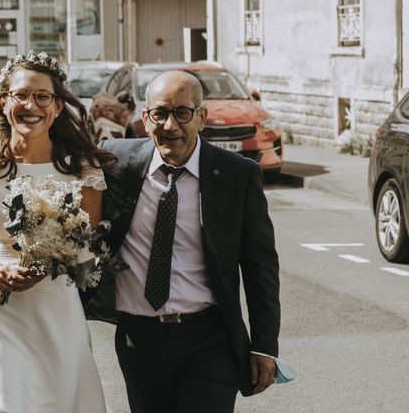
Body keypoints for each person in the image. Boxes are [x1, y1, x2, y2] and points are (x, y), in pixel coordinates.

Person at [82, 70, 281, 413]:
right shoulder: (115, 162)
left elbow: (259, 263)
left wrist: (265, 345)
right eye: (160, 113)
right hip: (138, 339)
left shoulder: (238, 175)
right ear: (145, 118)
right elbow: (56, 158)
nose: (170, 125)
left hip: (209, 338)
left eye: (182, 113)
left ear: (202, 118)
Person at [0, 51, 114, 413]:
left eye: (42, 96)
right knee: (2, 403)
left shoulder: (82, 169)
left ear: (57, 106)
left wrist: (48, 264)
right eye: (21, 95)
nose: (31, 105)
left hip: (58, 309)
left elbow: (87, 242)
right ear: (3, 102)